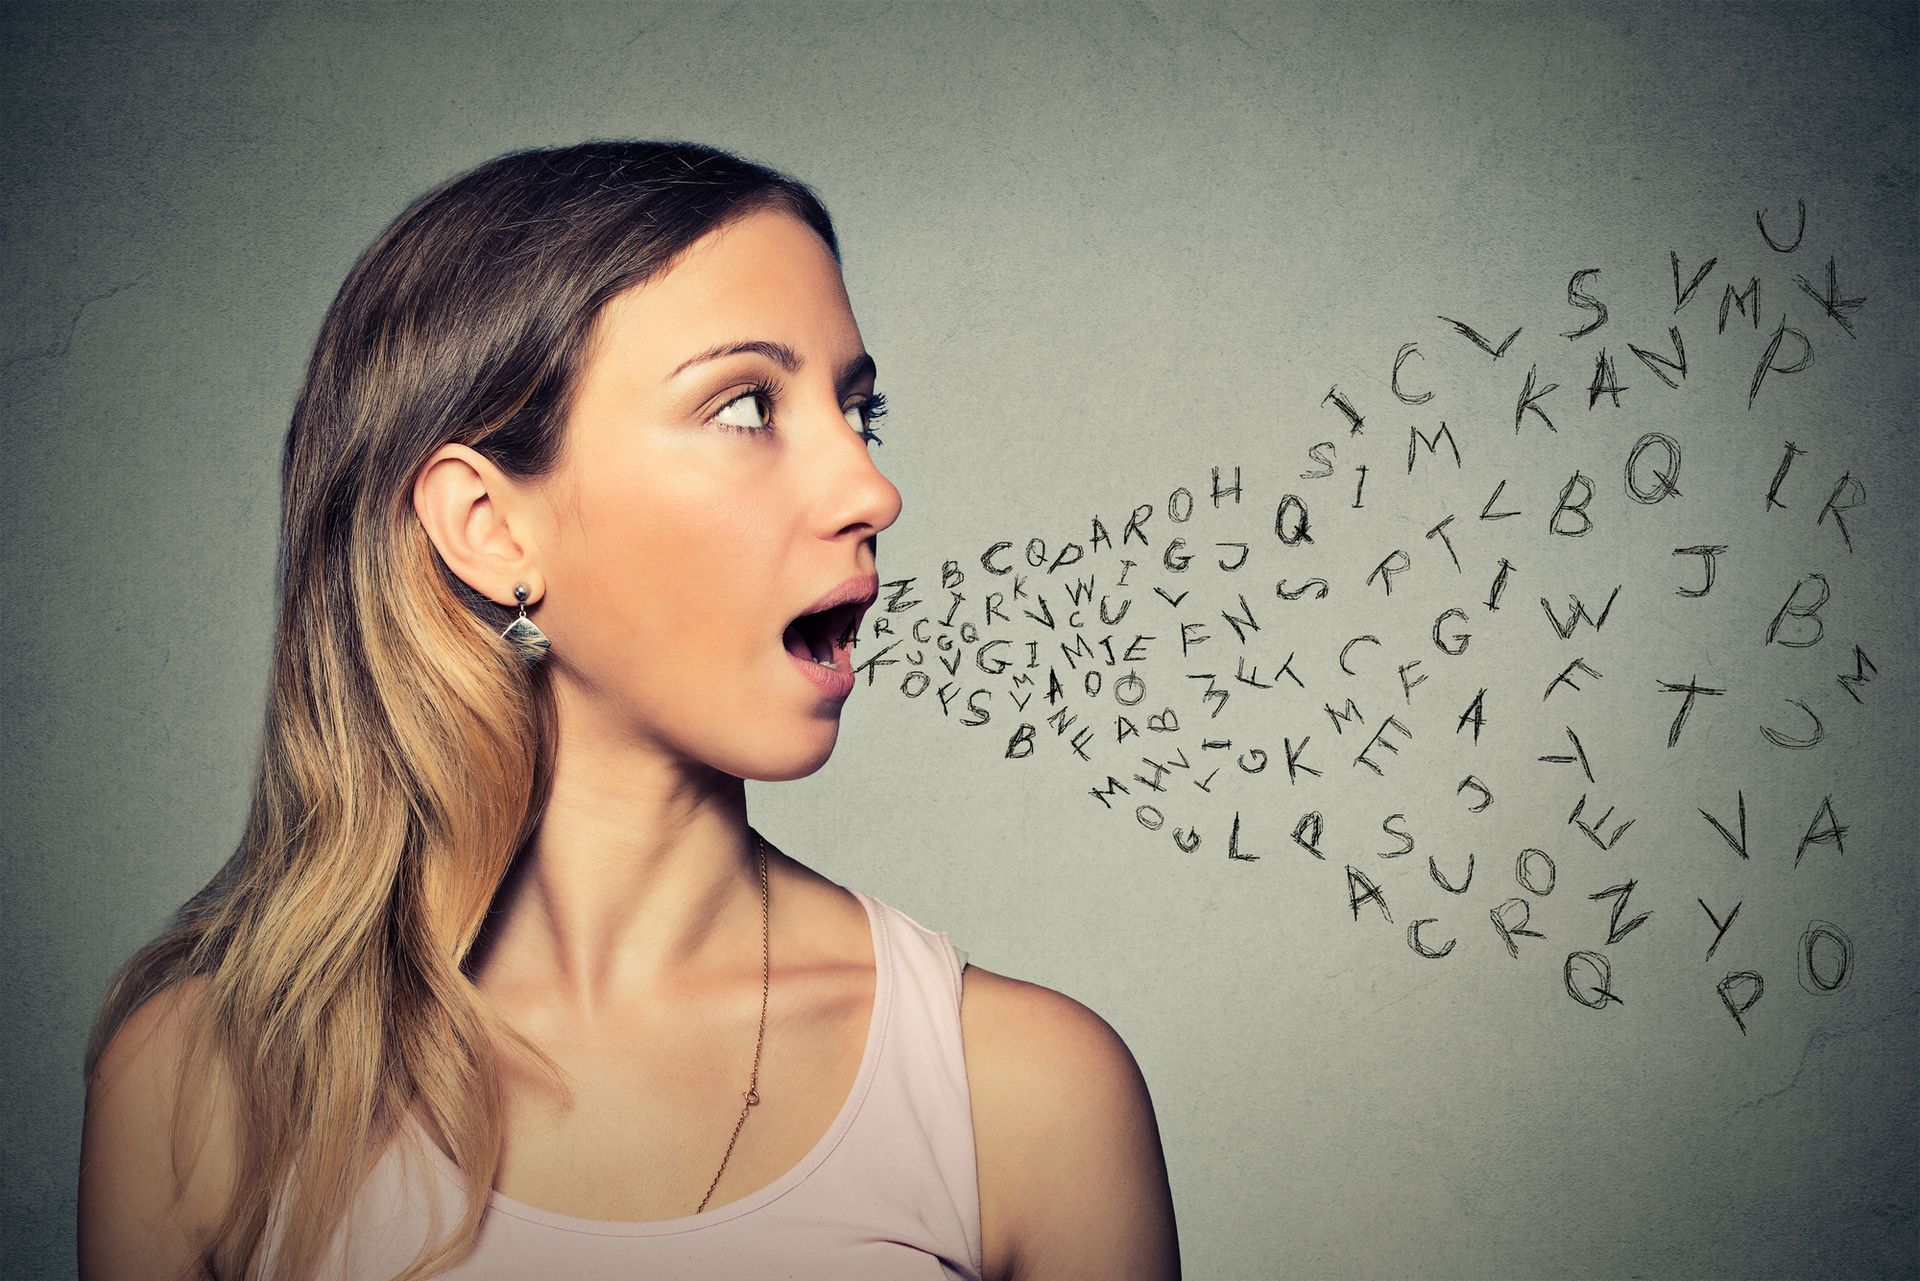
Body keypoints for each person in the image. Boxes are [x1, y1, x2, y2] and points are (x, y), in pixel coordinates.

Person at [76, 140, 1180, 1281]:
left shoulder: (1023, 1098)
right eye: (747, 405)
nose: (871, 489)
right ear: (493, 529)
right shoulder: (197, 1094)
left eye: (861, 412)